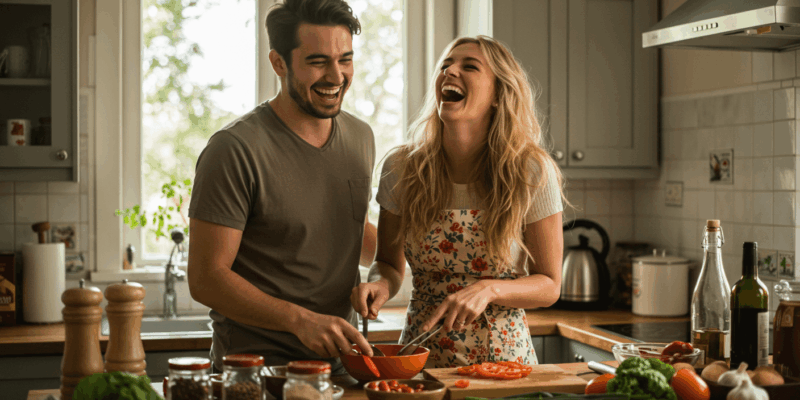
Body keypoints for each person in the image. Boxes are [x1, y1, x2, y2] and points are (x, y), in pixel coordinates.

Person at [351, 36, 565, 367]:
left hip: (503, 362)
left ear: (498, 94)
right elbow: (389, 264)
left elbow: (549, 285)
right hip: (419, 359)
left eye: (469, 66)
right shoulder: (403, 168)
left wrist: (490, 290)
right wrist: (379, 283)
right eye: (446, 65)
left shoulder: (530, 171)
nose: (450, 71)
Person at [187, 0, 377, 374]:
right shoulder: (234, 149)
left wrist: (393, 272)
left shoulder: (360, 137)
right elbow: (206, 279)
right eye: (318, 61)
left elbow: (348, 229)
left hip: (340, 368)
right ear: (278, 63)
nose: (336, 76)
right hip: (253, 372)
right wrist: (299, 319)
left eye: (345, 59)